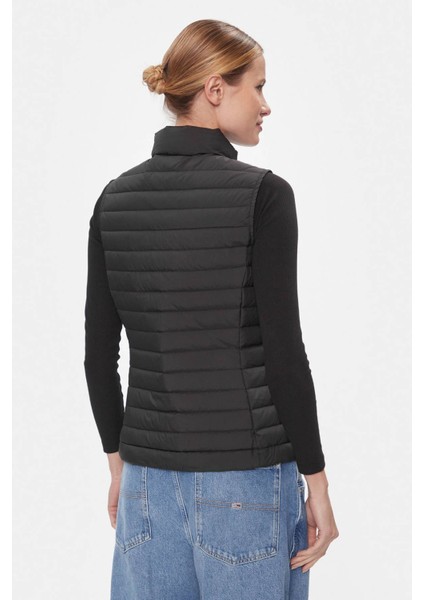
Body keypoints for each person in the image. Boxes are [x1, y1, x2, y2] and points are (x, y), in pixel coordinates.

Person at [84, 19, 339, 600]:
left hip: (146, 481)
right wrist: (317, 481)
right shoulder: (264, 195)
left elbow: (98, 356)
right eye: (259, 86)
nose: (266, 105)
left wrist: (121, 466)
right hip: (245, 484)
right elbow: (283, 351)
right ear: (215, 89)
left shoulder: (113, 200)